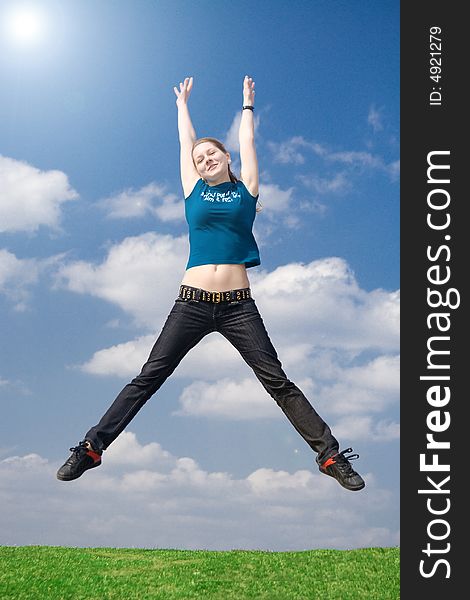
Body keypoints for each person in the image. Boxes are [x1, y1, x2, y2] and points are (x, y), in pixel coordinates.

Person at [57, 76, 365, 492]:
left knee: (277, 380)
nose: (204, 160)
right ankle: (91, 449)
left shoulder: (246, 190)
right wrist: (182, 104)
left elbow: (249, 141)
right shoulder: (193, 190)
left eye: (211, 154)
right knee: (148, 377)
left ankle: (330, 456)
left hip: (239, 305)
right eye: (199, 158)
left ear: (225, 156)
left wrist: (248, 106)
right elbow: (184, 142)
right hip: (192, 302)